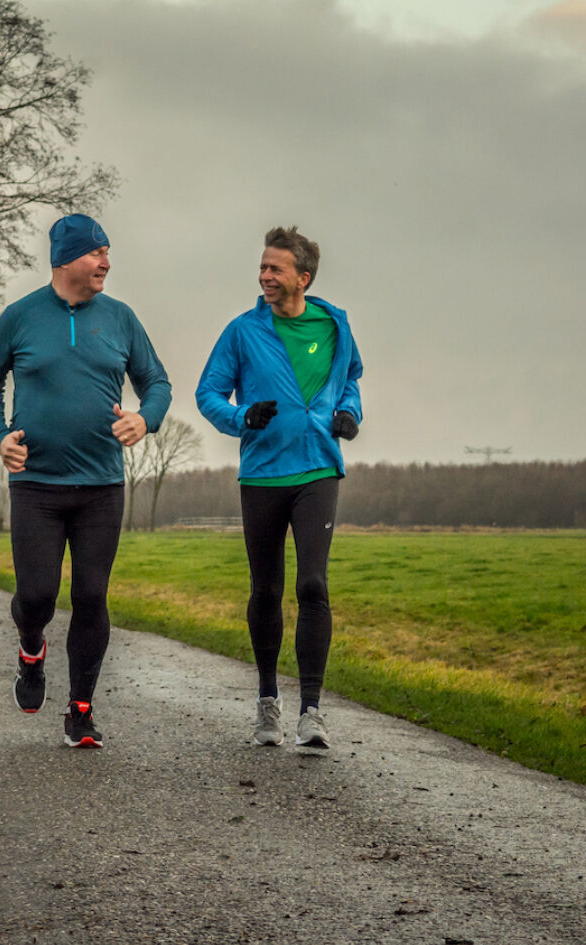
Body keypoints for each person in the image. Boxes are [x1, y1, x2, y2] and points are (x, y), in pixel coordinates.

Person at [0, 214, 172, 748]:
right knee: (37, 596)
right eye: (96, 253)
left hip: (101, 486)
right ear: (65, 260)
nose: (106, 262)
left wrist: (145, 419)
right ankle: (30, 648)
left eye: (107, 253)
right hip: (36, 485)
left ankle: (81, 710)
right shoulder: (21, 317)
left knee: (91, 595)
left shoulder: (121, 318)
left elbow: (156, 382)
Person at [195, 226, 363, 749]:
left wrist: (349, 413)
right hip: (263, 473)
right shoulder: (243, 332)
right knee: (265, 589)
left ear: (303, 277)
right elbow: (208, 394)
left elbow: (351, 378)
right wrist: (243, 416)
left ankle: (312, 711)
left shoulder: (334, 325)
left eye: (275, 269)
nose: (264, 276)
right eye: (262, 267)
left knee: (313, 585)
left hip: (317, 468)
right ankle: (268, 700)